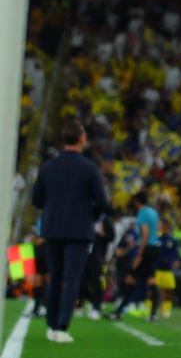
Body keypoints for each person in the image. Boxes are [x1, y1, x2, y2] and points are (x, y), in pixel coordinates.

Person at [31, 118, 108, 343]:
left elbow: (37, 200)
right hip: (79, 231)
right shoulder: (90, 168)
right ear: (82, 139)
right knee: (72, 279)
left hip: (52, 229)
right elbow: (102, 203)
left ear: (63, 139)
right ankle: (62, 327)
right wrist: (89, 217)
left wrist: (53, 209)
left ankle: (51, 325)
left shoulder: (48, 167)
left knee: (54, 277)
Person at [113, 191, 161, 320]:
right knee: (151, 280)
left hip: (146, 248)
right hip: (155, 247)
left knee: (131, 277)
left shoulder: (142, 213)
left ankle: (119, 311)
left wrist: (140, 253)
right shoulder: (153, 212)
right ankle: (153, 314)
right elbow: (157, 229)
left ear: (136, 201)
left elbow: (145, 233)